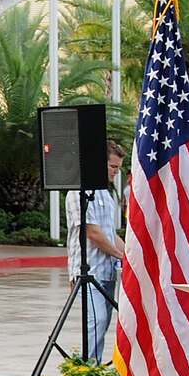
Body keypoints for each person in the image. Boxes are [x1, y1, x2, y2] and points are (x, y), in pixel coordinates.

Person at [64, 140, 124, 363]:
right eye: (113, 167)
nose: (116, 173)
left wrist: (131, 256)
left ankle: (94, 365)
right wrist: (120, 255)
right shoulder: (78, 192)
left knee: (103, 323)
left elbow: (110, 233)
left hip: (107, 271)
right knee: (96, 320)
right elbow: (93, 233)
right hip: (88, 271)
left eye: (118, 168)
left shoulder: (106, 195)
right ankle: (88, 370)